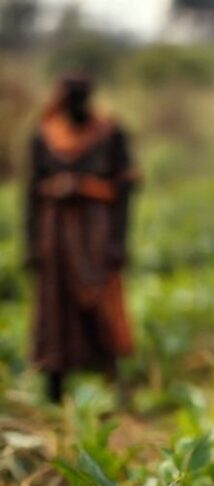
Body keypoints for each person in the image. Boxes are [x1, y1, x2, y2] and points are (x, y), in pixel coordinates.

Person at [24, 74, 140, 404]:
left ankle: (114, 386)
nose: (77, 106)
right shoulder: (45, 134)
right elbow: (31, 193)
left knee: (103, 301)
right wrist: (32, 244)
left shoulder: (109, 132)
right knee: (55, 308)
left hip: (96, 232)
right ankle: (54, 390)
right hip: (56, 234)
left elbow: (126, 187)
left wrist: (119, 239)